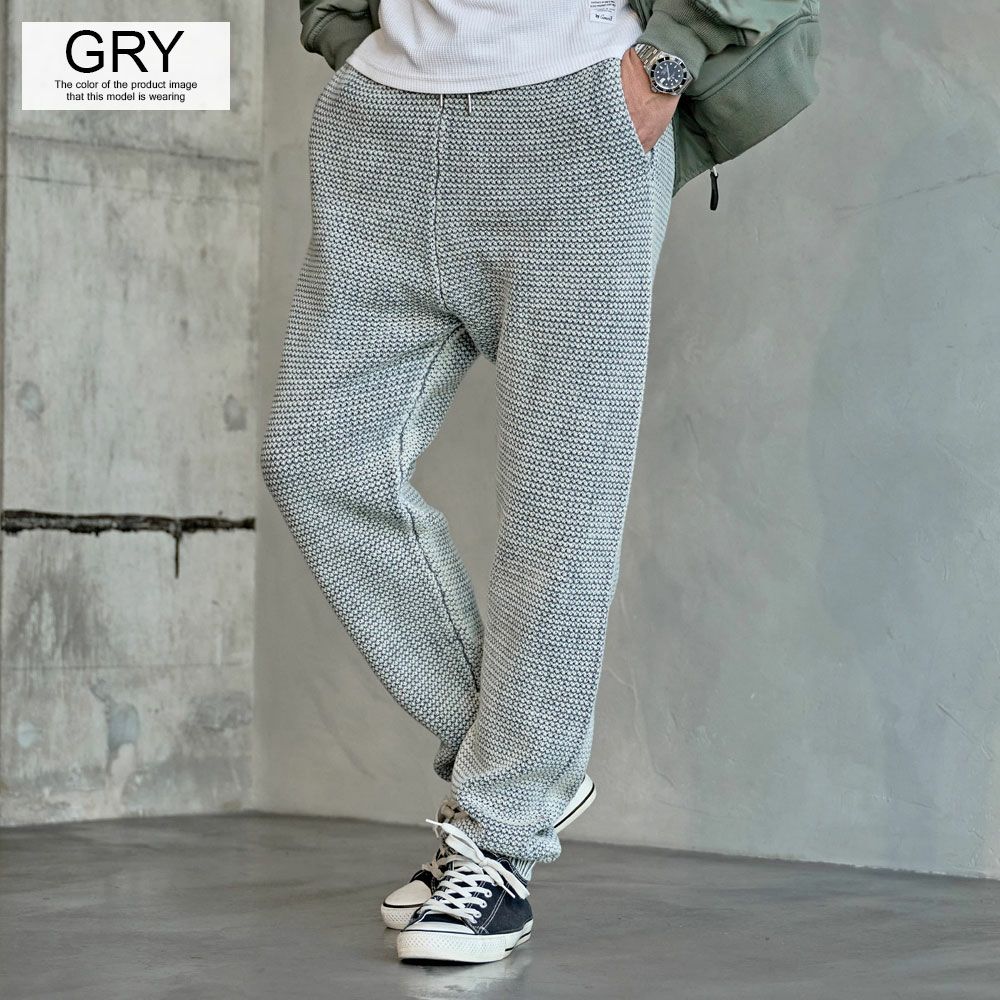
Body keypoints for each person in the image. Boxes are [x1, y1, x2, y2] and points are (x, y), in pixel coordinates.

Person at [261, 0, 802, 966]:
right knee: (316, 457)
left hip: (576, 115)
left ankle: (500, 833)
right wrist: (353, 46)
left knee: (559, 514)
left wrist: (665, 64)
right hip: (381, 125)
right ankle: (517, 776)